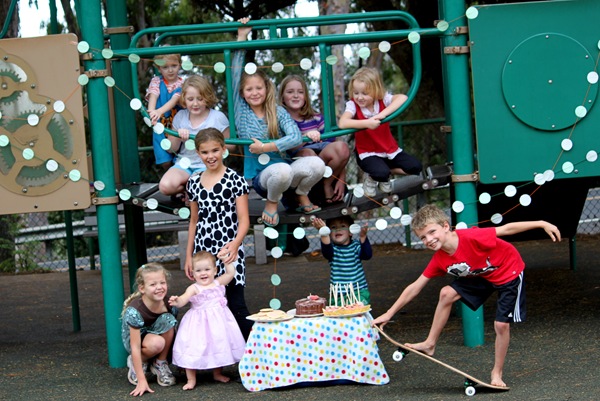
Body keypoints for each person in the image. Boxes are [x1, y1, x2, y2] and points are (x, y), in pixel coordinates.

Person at [372, 204, 562, 387]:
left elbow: (506, 229)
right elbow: (415, 287)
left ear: (445, 226)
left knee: (501, 325)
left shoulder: (470, 236)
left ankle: (497, 373)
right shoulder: (440, 259)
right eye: (423, 237)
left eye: (432, 232)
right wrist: (389, 313)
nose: (428, 239)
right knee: (446, 293)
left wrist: (541, 223)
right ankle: (430, 344)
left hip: (508, 270)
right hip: (482, 274)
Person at [234, 18, 326, 226]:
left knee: (317, 165)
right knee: (282, 171)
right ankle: (272, 203)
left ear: (266, 89)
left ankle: (301, 193)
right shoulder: (241, 112)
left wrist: (267, 147)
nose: (254, 92)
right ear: (242, 92)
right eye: (249, 89)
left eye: (259, 88)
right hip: (263, 178)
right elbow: (235, 73)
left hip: (286, 170)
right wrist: (241, 37)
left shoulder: (277, 111)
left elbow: (295, 136)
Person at [184, 127, 253, 339]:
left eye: (215, 150)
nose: (210, 156)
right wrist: (188, 256)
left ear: (223, 149)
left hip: (228, 249)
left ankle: (256, 350)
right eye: (205, 152)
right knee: (208, 305)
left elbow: (244, 219)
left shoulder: (235, 180)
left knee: (236, 304)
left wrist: (235, 244)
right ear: (198, 153)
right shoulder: (193, 182)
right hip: (203, 252)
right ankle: (218, 355)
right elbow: (194, 220)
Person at [338, 67, 422, 197]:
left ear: (376, 90)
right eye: (356, 93)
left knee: (415, 167)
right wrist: (367, 123)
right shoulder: (353, 105)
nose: (359, 97)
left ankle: (383, 174)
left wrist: (382, 114)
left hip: (389, 150)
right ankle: (376, 176)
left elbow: (402, 98)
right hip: (367, 153)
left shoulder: (383, 100)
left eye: (365, 93)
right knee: (381, 173)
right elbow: (343, 123)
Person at [170, 251, 246, 390]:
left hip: (218, 324)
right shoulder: (194, 288)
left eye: (207, 269)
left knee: (218, 345)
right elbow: (183, 299)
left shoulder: (217, 283)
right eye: (198, 270)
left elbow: (230, 273)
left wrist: (226, 260)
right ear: (193, 273)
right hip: (198, 324)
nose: (203, 273)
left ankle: (217, 373)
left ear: (215, 270)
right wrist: (177, 301)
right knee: (192, 347)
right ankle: (191, 379)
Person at [279, 74, 350, 204]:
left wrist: (341, 178)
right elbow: (284, 147)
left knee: (342, 147)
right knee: (308, 154)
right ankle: (302, 193)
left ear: (306, 96)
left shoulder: (316, 118)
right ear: (282, 97)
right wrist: (305, 137)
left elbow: (333, 145)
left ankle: (327, 183)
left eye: (300, 92)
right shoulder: (280, 122)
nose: (296, 95)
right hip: (298, 164)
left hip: (323, 159)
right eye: (290, 92)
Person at [158, 75, 230, 200]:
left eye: (200, 99)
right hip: (184, 163)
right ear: (184, 99)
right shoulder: (180, 116)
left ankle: (192, 192)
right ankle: (188, 189)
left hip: (207, 165)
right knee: (165, 186)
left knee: (200, 188)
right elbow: (171, 149)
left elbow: (230, 146)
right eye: (190, 99)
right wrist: (178, 136)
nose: (195, 103)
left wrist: (212, 141)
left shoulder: (217, 117)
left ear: (207, 98)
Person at [120, 263, 178, 396]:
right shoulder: (135, 311)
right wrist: (142, 380)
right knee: (157, 343)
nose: (159, 287)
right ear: (142, 288)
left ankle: (160, 363)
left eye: (162, 283)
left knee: (169, 319)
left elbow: (172, 330)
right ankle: (139, 361)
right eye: (153, 284)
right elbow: (135, 346)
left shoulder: (170, 305)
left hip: (155, 333)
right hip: (137, 340)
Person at [312, 215, 372, 304]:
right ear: (329, 233)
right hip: (338, 294)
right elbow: (327, 252)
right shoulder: (333, 249)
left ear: (350, 232)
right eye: (333, 227)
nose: (338, 229)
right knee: (337, 311)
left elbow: (367, 255)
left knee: (357, 307)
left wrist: (363, 237)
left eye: (342, 226)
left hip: (358, 291)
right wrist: (324, 232)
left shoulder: (355, 246)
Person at [145, 52, 184, 171]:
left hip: (177, 125)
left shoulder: (182, 84)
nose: (170, 70)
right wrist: (151, 112)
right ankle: (168, 175)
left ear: (180, 65)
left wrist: (158, 111)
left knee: (180, 156)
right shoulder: (156, 81)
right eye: (165, 67)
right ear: (159, 68)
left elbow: (174, 100)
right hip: (160, 124)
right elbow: (153, 95)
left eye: (174, 66)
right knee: (165, 161)